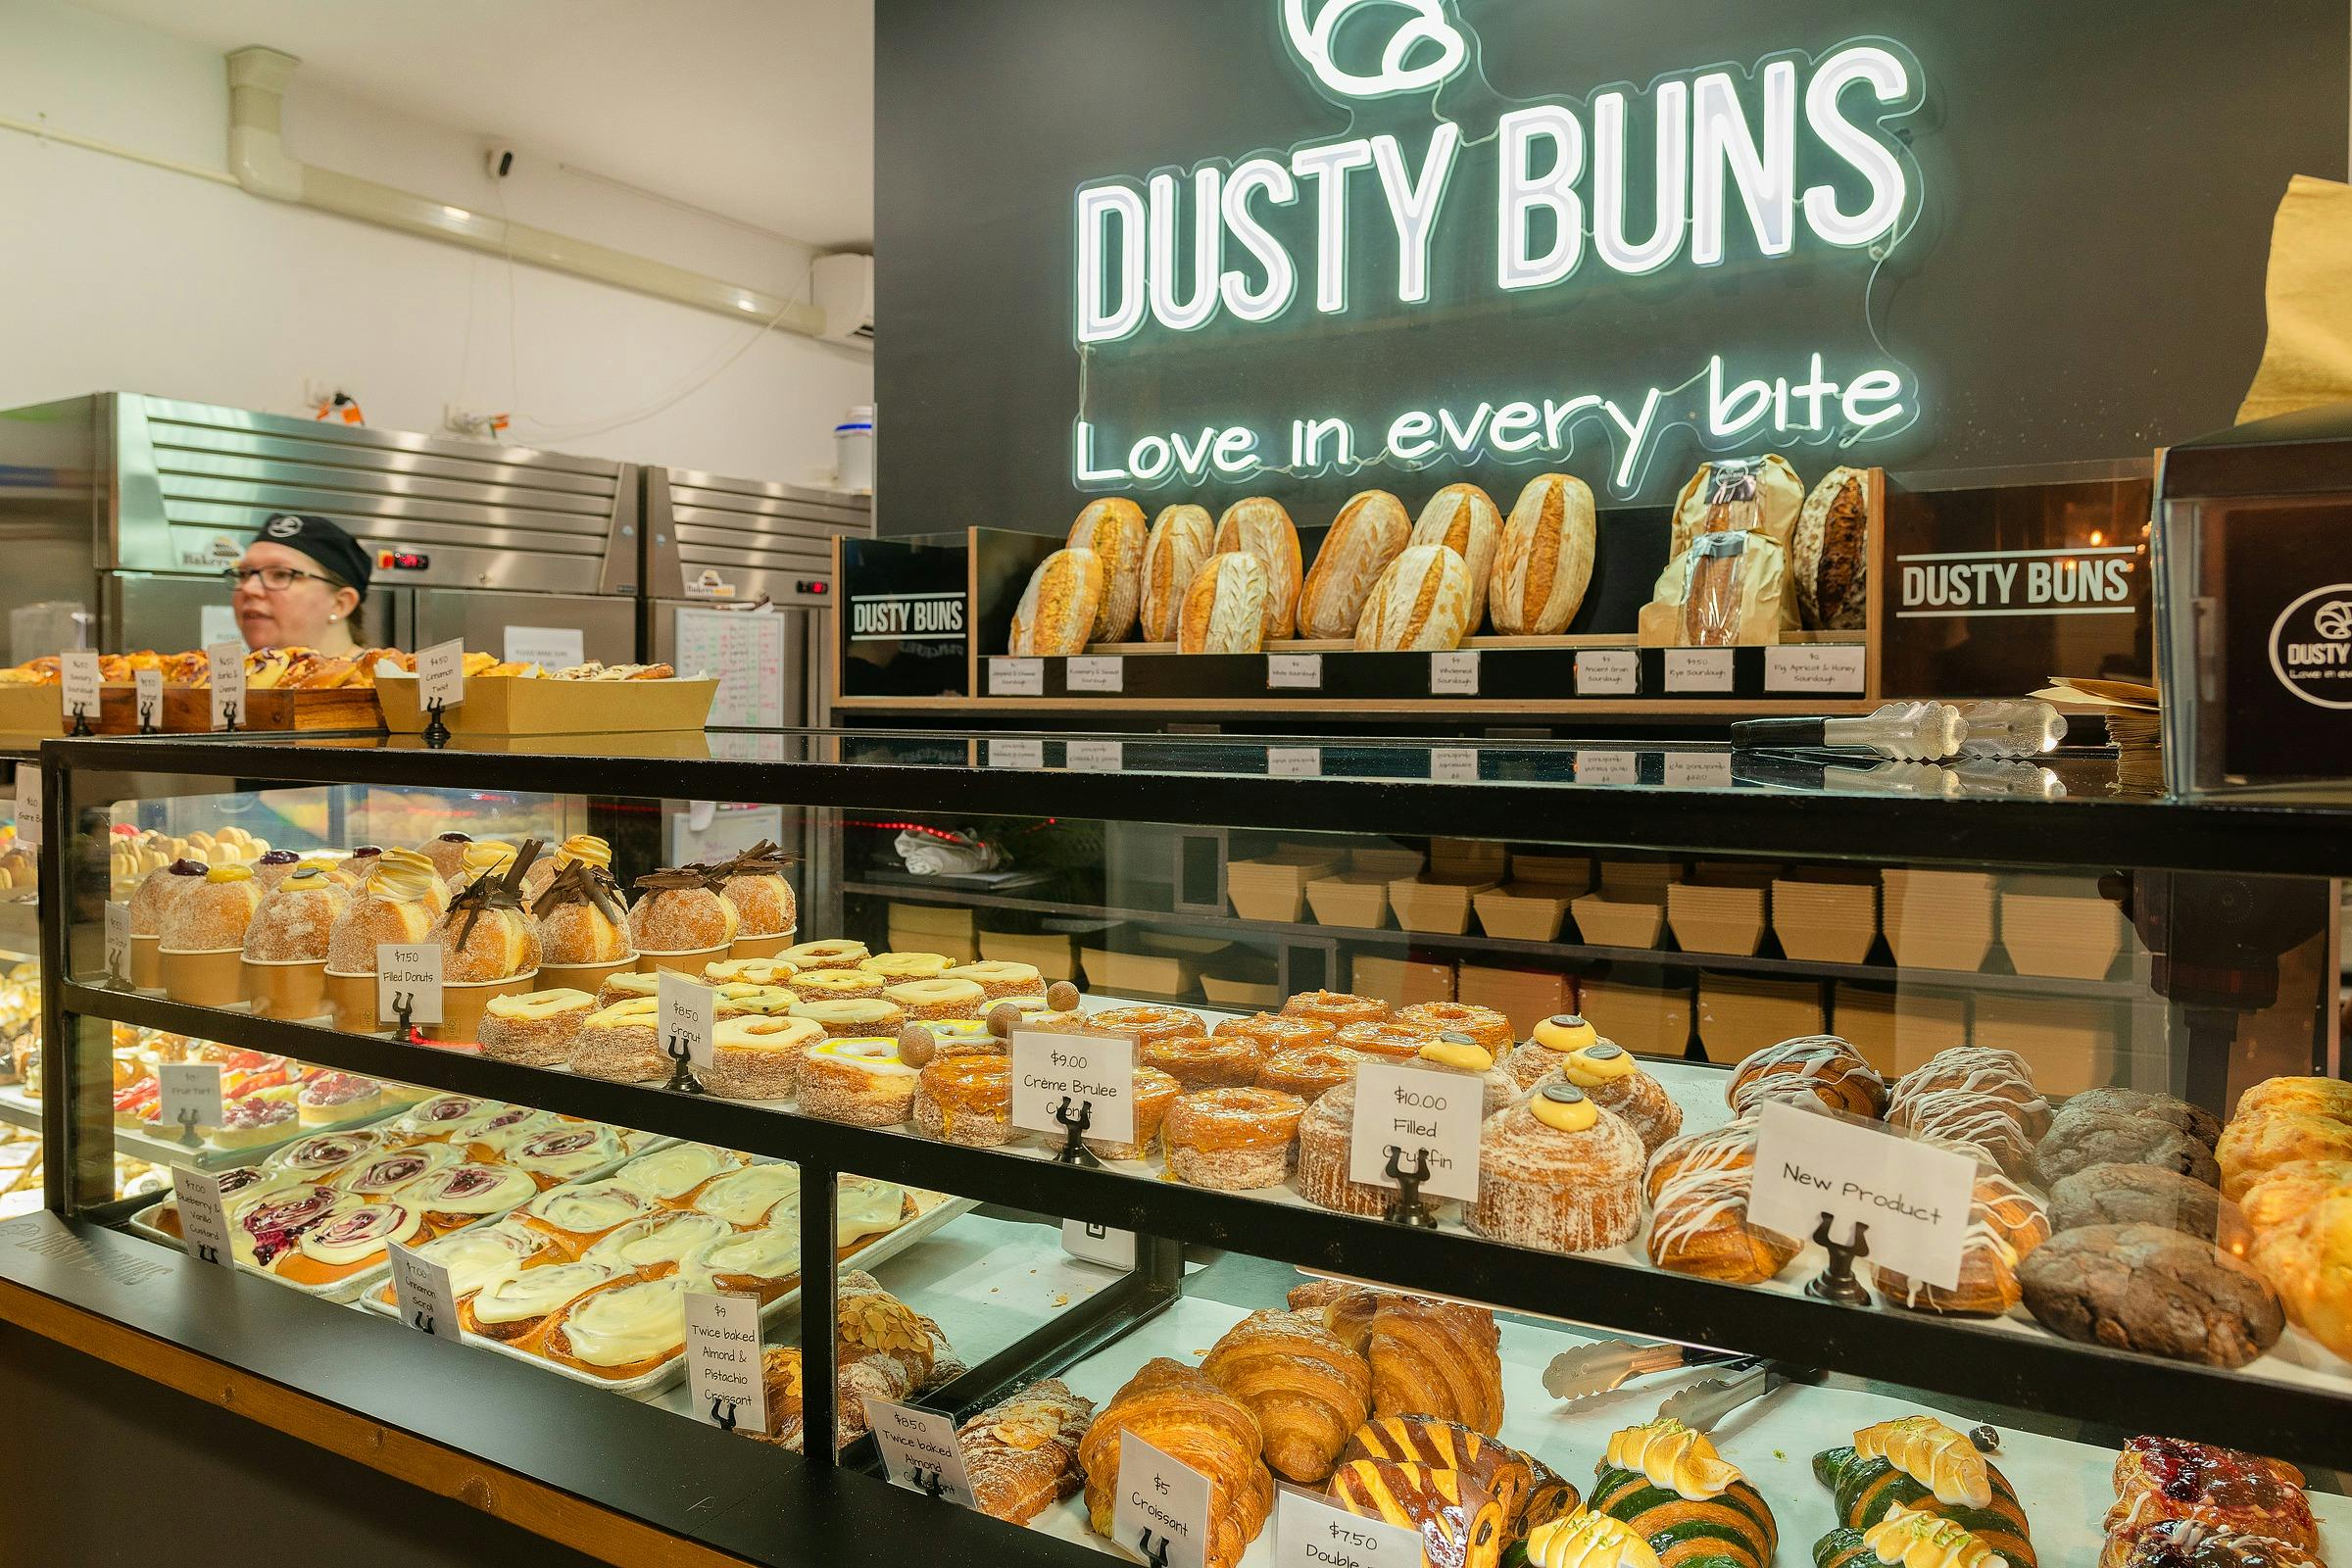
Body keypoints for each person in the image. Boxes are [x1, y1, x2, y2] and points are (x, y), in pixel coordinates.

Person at [223, 514, 372, 655]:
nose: (249, 588)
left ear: (340, 604)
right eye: (243, 574)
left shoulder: (378, 673)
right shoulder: (231, 673)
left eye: (280, 574)